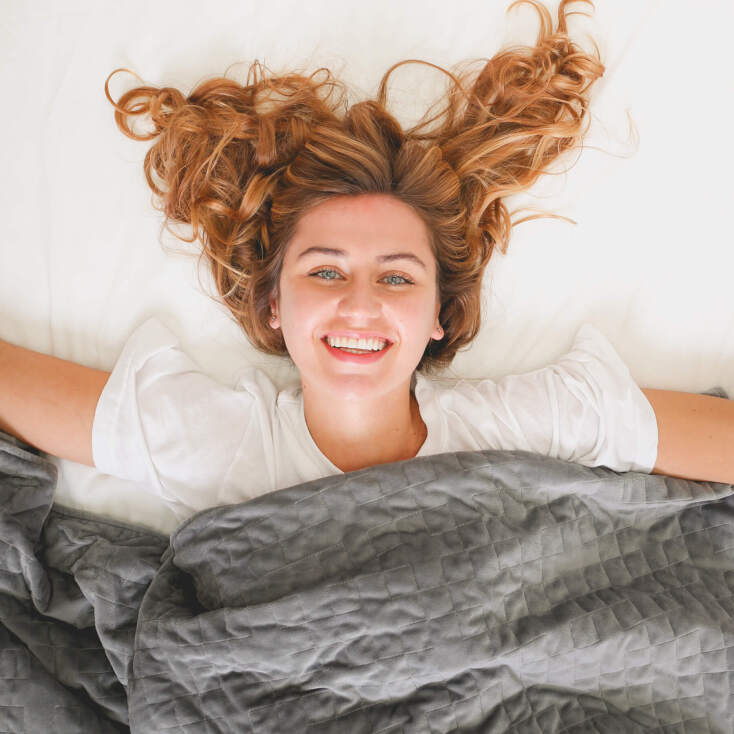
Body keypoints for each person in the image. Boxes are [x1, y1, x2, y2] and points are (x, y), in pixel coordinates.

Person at [0, 0, 732, 526]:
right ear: (272, 306)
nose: (359, 304)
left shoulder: (518, 426)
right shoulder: (214, 442)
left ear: (440, 314)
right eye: (324, 271)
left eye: (396, 277)